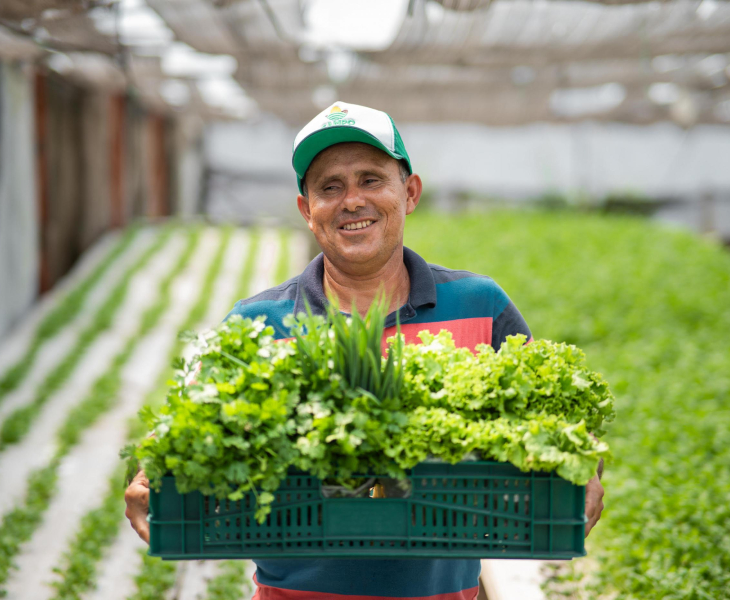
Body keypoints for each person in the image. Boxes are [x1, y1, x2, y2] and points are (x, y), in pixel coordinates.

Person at [125, 101, 605, 599]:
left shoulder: (480, 306)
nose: (351, 200)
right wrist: (151, 472)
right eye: (329, 187)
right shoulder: (256, 324)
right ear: (307, 210)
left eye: (371, 180)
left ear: (410, 192)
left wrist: (579, 463)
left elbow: (552, 415)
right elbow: (188, 429)